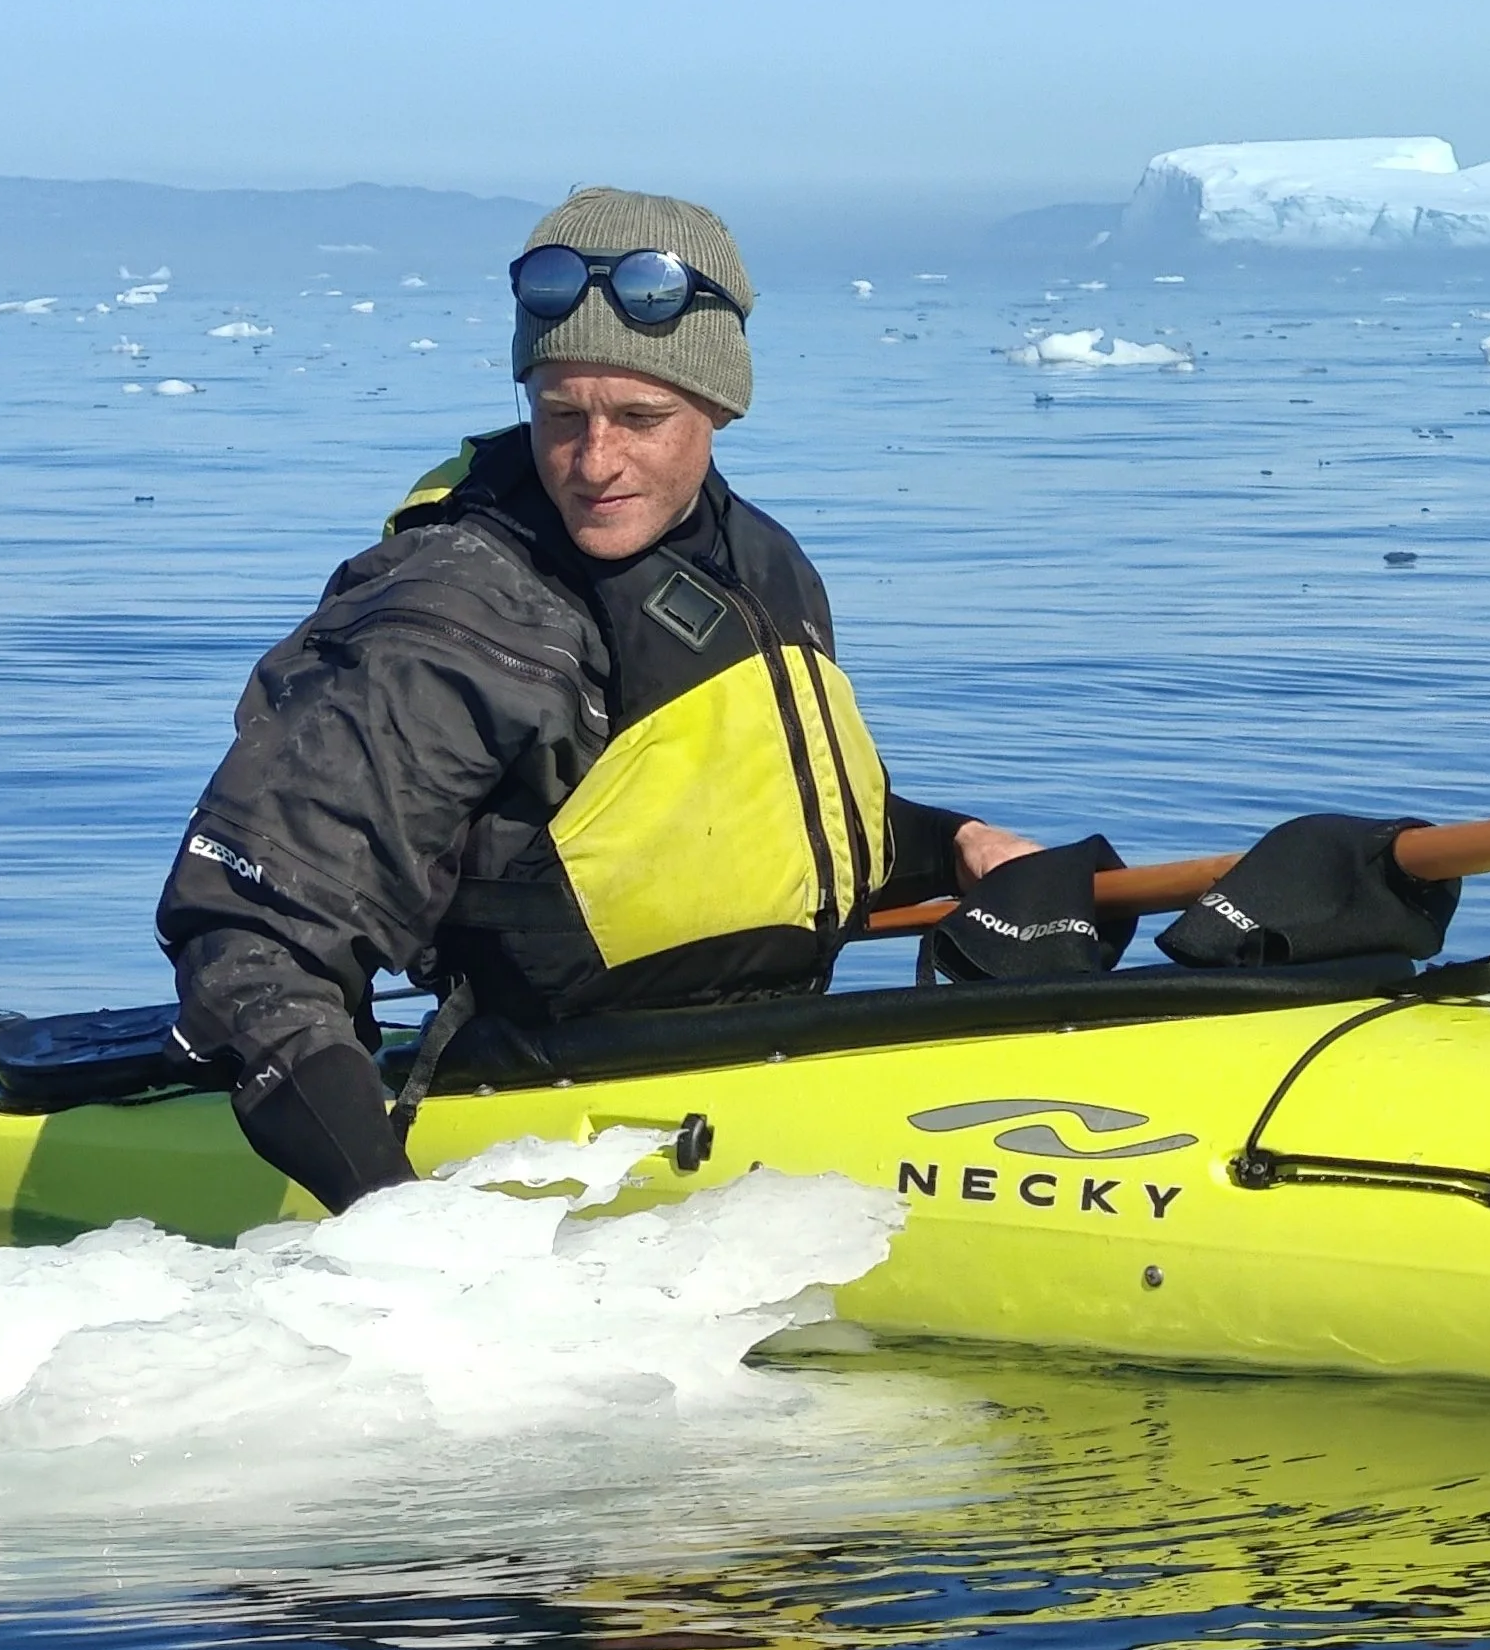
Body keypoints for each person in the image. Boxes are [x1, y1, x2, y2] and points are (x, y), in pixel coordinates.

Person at [155, 186, 1037, 1212]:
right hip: (539, 1114)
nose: (594, 461)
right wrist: (403, 1230)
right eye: (560, 415)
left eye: (639, 416)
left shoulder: (751, 564)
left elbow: (712, 823)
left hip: (753, 1067)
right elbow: (254, 940)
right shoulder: (455, 613)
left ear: (717, 404)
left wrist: (953, 841)